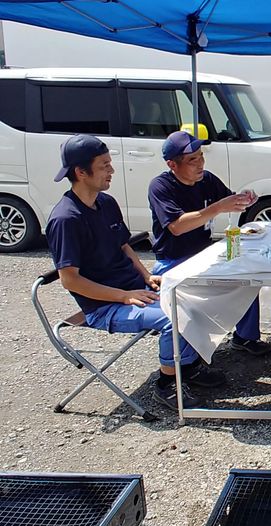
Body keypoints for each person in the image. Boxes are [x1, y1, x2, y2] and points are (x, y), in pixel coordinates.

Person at [45, 134, 225, 410]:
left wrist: (145, 276)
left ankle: (188, 368)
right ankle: (166, 385)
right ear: (81, 172)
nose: (112, 170)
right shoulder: (66, 219)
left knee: (195, 295)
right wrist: (123, 296)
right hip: (104, 306)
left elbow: (124, 246)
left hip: (134, 289)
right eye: (104, 165)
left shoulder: (106, 203)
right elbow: (70, 280)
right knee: (175, 315)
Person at [147, 130, 271, 356]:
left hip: (205, 256)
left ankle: (245, 337)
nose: (200, 164)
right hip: (174, 261)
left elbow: (229, 201)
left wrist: (244, 199)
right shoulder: (161, 186)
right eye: (192, 160)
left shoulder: (207, 179)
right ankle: (189, 359)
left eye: (201, 156)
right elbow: (176, 226)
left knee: (248, 275)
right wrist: (218, 207)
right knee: (194, 302)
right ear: (172, 165)